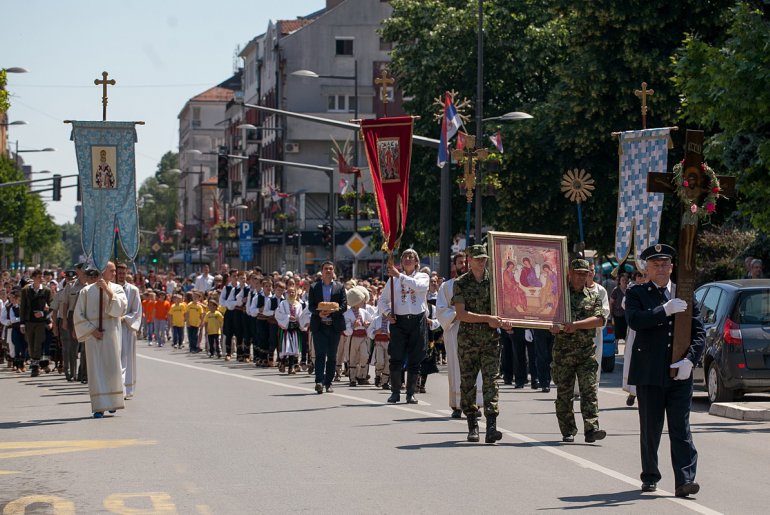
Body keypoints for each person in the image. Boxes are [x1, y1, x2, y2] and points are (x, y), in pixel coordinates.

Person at [625, 244, 705, 497]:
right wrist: (664, 310)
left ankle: (685, 479)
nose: (661, 269)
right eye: (655, 265)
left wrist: (690, 361)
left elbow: (699, 332)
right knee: (651, 427)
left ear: (672, 267)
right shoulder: (638, 293)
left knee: (680, 427)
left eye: (665, 264)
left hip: (679, 372)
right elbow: (635, 320)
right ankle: (650, 475)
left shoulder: (685, 294)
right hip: (650, 371)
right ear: (646, 269)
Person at [453, 244, 511, 443]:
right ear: (469, 259)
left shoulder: (495, 282)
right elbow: (461, 314)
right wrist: (488, 319)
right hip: (468, 341)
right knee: (468, 383)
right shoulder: (461, 283)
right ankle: (472, 425)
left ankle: (492, 427)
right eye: (477, 258)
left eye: (483, 258)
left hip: (490, 341)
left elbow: (504, 309)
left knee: (491, 382)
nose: (481, 261)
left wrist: (507, 323)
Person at [549, 259, 606, 444]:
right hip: (563, 353)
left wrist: (575, 325)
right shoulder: (558, 296)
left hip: (585, 352)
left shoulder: (593, 296)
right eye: (578, 273)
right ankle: (567, 430)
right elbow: (547, 318)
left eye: (585, 273)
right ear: (570, 273)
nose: (582, 276)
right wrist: (553, 327)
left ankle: (591, 428)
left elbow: (599, 320)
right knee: (564, 393)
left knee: (589, 391)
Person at [73, 262, 128, 418]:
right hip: (94, 336)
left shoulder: (117, 289)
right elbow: (79, 315)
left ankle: (112, 402)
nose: (115, 274)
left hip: (111, 334)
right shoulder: (85, 291)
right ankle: (98, 406)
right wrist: (92, 330)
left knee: (111, 368)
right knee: (96, 369)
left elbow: (121, 308)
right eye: (112, 271)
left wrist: (107, 290)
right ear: (103, 271)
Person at [377, 249, 429, 404]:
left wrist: (399, 275)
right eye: (405, 256)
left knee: (415, 358)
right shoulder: (393, 280)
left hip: (417, 320)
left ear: (416, 262)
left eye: (411, 257)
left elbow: (419, 287)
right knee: (396, 357)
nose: (408, 259)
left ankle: (411, 393)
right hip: (399, 322)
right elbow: (382, 301)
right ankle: (395, 392)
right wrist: (387, 313)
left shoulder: (423, 276)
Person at [436, 252, 483, 418]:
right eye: (459, 262)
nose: (463, 264)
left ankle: (475, 404)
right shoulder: (447, 286)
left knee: (475, 366)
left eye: (465, 261)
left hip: (475, 329)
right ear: (454, 265)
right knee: (456, 366)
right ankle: (457, 405)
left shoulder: (478, 284)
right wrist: (458, 313)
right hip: (455, 328)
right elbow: (441, 310)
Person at [307, 261, 347, 394]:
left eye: (330, 269)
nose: (328, 271)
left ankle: (328, 382)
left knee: (332, 356)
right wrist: (319, 312)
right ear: (322, 272)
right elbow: (311, 306)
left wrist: (332, 311)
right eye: (326, 269)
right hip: (320, 326)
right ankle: (319, 381)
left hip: (334, 326)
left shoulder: (340, 287)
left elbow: (344, 306)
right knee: (320, 355)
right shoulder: (314, 287)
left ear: (333, 271)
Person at [19, 269, 53, 377]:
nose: (41, 279)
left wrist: (43, 314)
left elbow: (52, 306)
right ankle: (34, 361)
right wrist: (22, 323)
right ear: (33, 278)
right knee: (30, 344)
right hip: (29, 322)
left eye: (42, 276)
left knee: (38, 343)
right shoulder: (25, 290)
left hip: (40, 323)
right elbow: (22, 307)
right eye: (39, 277)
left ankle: (35, 367)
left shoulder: (46, 291)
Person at [116, 264, 142, 399]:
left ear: (126, 273)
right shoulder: (111, 288)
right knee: (115, 358)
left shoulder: (133, 290)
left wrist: (125, 318)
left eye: (123, 273)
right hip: (113, 328)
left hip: (127, 327)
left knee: (126, 358)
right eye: (118, 272)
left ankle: (126, 388)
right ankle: (115, 387)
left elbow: (137, 311)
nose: (121, 275)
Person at [342, 286, 374, 386]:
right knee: (352, 357)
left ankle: (362, 376)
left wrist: (366, 324)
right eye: (360, 300)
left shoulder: (364, 312)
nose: (363, 302)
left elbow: (371, 322)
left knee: (365, 355)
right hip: (353, 337)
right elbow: (346, 329)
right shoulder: (346, 314)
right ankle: (352, 378)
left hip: (363, 337)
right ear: (355, 302)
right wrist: (353, 326)